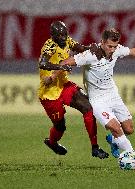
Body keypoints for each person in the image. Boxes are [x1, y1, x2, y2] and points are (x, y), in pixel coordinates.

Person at [55, 28, 135, 169]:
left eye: (114, 46)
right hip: (98, 101)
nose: (112, 49)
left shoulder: (117, 50)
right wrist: (53, 76)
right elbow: (65, 62)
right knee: (115, 127)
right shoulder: (89, 55)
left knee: (129, 129)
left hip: (113, 96)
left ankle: (113, 140)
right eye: (109, 46)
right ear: (102, 42)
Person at [37, 21, 109, 159]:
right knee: (60, 127)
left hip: (64, 85)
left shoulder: (67, 40)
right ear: (53, 36)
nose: (63, 38)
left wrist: (93, 48)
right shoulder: (50, 45)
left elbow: (80, 48)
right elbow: (43, 63)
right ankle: (52, 142)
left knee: (88, 107)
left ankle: (95, 147)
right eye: (60, 35)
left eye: (65, 34)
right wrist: (61, 67)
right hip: (49, 92)